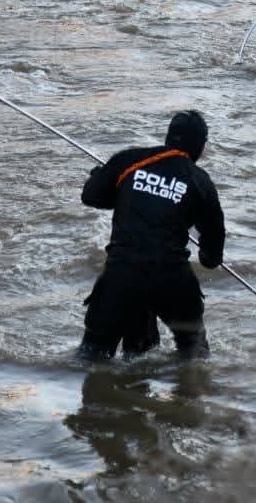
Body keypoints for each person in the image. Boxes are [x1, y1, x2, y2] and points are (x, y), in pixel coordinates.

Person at [78, 110, 225, 360]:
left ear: (168, 137)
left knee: (91, 359)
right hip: (173, 280)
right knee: (196, 357)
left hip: (120, 276)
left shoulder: (130, 160)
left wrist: (104, 179)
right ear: (201, 147)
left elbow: (92, 196)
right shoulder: (200, 181)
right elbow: (212, 254)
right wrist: (206, 253)